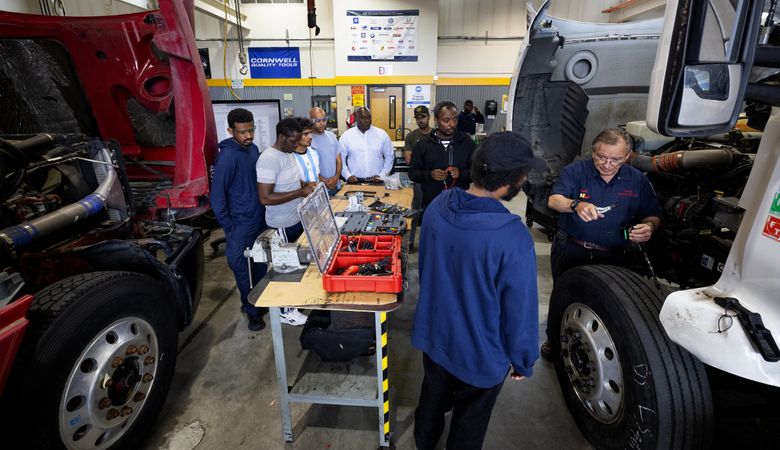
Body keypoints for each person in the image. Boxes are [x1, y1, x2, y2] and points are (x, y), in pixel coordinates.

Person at [411, 132, 545, 450]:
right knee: (469, 423)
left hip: (434, 337)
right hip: (480, 354)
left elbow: (427, 268)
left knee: (431, 400)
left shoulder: (438, 205)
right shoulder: (512, 237)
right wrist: (523, 358)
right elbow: (520, 310)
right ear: (514, 179)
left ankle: (422, 443)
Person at [540, 128, 661, 359]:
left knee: (609, 301)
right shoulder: (575, 171)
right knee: (563, 296)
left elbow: (652, 215)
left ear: (627, 157)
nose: (606, 164)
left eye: (615, 159)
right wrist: (576, 205)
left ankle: (597, 348)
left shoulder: (637, 181)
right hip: (572, 249)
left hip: (614, 254)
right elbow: (554, 200)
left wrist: (650, 227)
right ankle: (554, 340)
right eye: (601, 157)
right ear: (593, 151)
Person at [210, 108, 268, 331]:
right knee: (241, 267)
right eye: (243, 132)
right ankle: (251, 310)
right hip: (240, 224)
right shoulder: (227, 157)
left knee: (260, 263)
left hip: (259, 218)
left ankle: (259, 301)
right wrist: (230, 227)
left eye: (251, 130)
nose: (248, 136)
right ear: (230, 131)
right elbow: (217, 197)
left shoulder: (252, 150)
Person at [255, 118, 313, 326]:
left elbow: (290, 180)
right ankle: (285, 312)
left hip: (295, 217)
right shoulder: (269, 159)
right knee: (284, 267)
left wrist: (304, 184)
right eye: (292, 141)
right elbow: (265, 198)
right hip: (281, 222)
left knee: (297, 264)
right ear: (281, 137)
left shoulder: (288, 153)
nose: (296, 145)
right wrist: (300, 192)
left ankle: (293, 303)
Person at [409, 101, 476, 211]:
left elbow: (477, 173)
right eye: (446, 120)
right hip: (432, 205)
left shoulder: (467, 143)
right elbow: (412, 173)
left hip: (459, 205)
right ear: (436, 120)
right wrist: (430, 174)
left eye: (455, 119)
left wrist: (461, 174)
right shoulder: (423, 145)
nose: (452, 124)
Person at [339, 106, 394, 183]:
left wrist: (382, 175)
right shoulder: (346, 136)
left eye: (369, 117)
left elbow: (389, 156)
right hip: (355, 182)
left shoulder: (382, 135)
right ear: (356, 118)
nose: (367, 120)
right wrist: (347, 175)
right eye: (363, 118)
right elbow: (340, 159)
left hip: (377, 181)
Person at [309, 107, 344, 195]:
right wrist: (322, 180)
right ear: (311, 121)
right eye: (318, 120)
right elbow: (308, 166)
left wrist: (336, 177)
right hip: (319, 189)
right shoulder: (308, 139)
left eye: (324, 120)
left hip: (336, 186)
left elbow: (338, 160)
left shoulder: (332, 136)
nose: (322, 123)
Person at [293, 117, 324, 184]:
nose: (310, 137)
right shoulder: (290, 158)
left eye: (311, 132)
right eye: (306, 134)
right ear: (295, 135)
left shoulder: (314, 153)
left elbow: (316, 175)